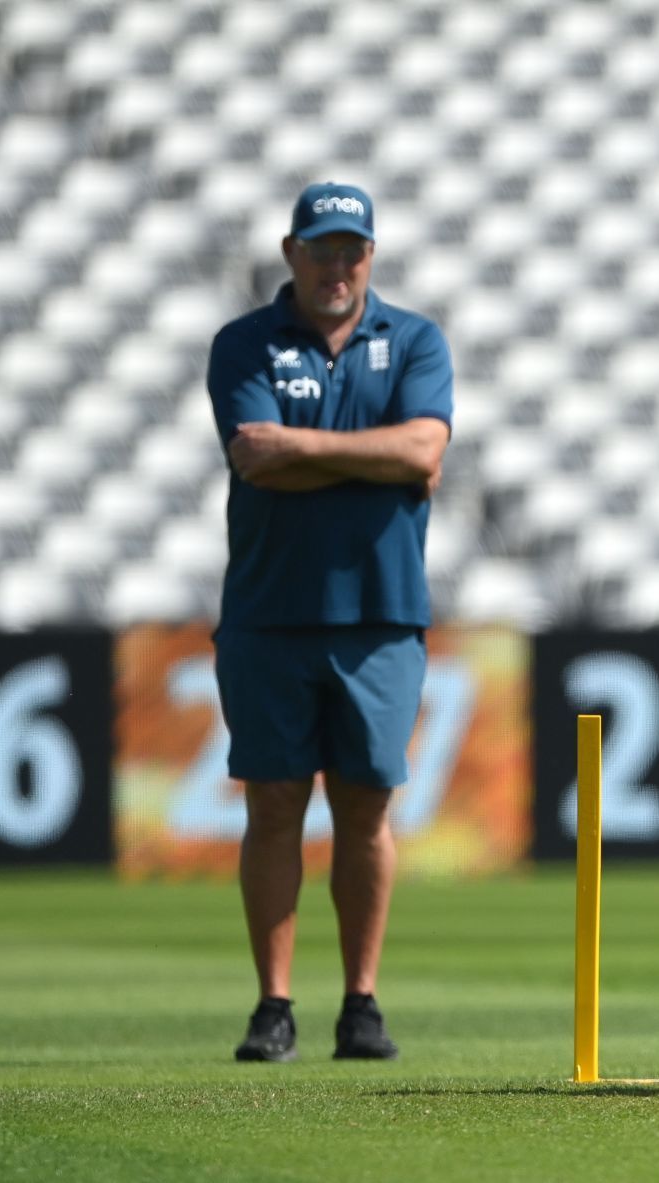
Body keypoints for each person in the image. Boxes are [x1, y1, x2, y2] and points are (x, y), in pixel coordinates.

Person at [206, 182, 453, 1062]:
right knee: (274, 804)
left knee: (366, 806)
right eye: (322, 248)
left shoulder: (415, 338)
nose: (337, 265)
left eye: (352, 249)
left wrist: (304, 450)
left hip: (380, 615)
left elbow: (424, 449)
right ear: (290, 252)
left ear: (371, 256)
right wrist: (378, 460)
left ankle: (361, 1000)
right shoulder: (245, 343)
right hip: (271, 612)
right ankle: (274, 1004)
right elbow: (254, 458)